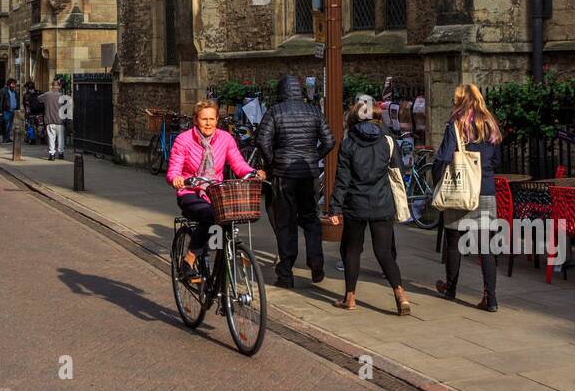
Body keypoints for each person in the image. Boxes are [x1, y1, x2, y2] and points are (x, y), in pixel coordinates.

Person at [324, 96, 411, 315]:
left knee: (351, 250)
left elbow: (342, 179)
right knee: (384, 253)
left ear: (355, 116)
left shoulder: (349, 141)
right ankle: (400, 295)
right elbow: (397, 171)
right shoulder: (387, 140)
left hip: (356, 205)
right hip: (382, 203)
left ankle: (350, 297)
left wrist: (335, 208)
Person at [167, 100, 266, 283]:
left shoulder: (225, 138)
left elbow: (238, 164)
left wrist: (252, 173)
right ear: (196, 120)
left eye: (212, 119)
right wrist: (177, 179)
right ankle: (189, 260)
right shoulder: (184, 140)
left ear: (217, 119)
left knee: (226, 221)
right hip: (190, 192)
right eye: (204, 119)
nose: (208, 123)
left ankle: (218, 271)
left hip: (215, 193)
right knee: (210, 216)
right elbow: (174, 169)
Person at [254, 74, 336, 289]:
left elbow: (262, 141)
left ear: (281, 92)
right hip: (308, 173)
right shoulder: (314, 111)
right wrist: (313, 157)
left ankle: (286, 272)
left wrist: (272, 162)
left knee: (286, 222)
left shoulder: (274, 112)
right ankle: (316, 262)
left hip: (284, 174)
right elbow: (329, 141)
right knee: (311, 218)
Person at [429, 83, 503, 312]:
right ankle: (490, 299)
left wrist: (438, 179)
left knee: (454, 241)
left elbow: (443, 156)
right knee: (486, 247)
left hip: (461, 189)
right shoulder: (491, 124)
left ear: (460, 100)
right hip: (486, 190)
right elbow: (497, 159)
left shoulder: (457, 124)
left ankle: (450, 289)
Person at [0, 78, 19, 143]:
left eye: (14, 84)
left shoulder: (14, 91)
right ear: (9, 84)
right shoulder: (3, 91)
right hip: (6, 110)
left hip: (13, 110)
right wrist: (0, 111)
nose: (14, 85)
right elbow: (0, 101)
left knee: (10, 125)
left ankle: (8, 138)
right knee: (6, 125)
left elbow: (16, 99)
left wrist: (17, 107)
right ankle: (4, 138)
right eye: (13, 84)